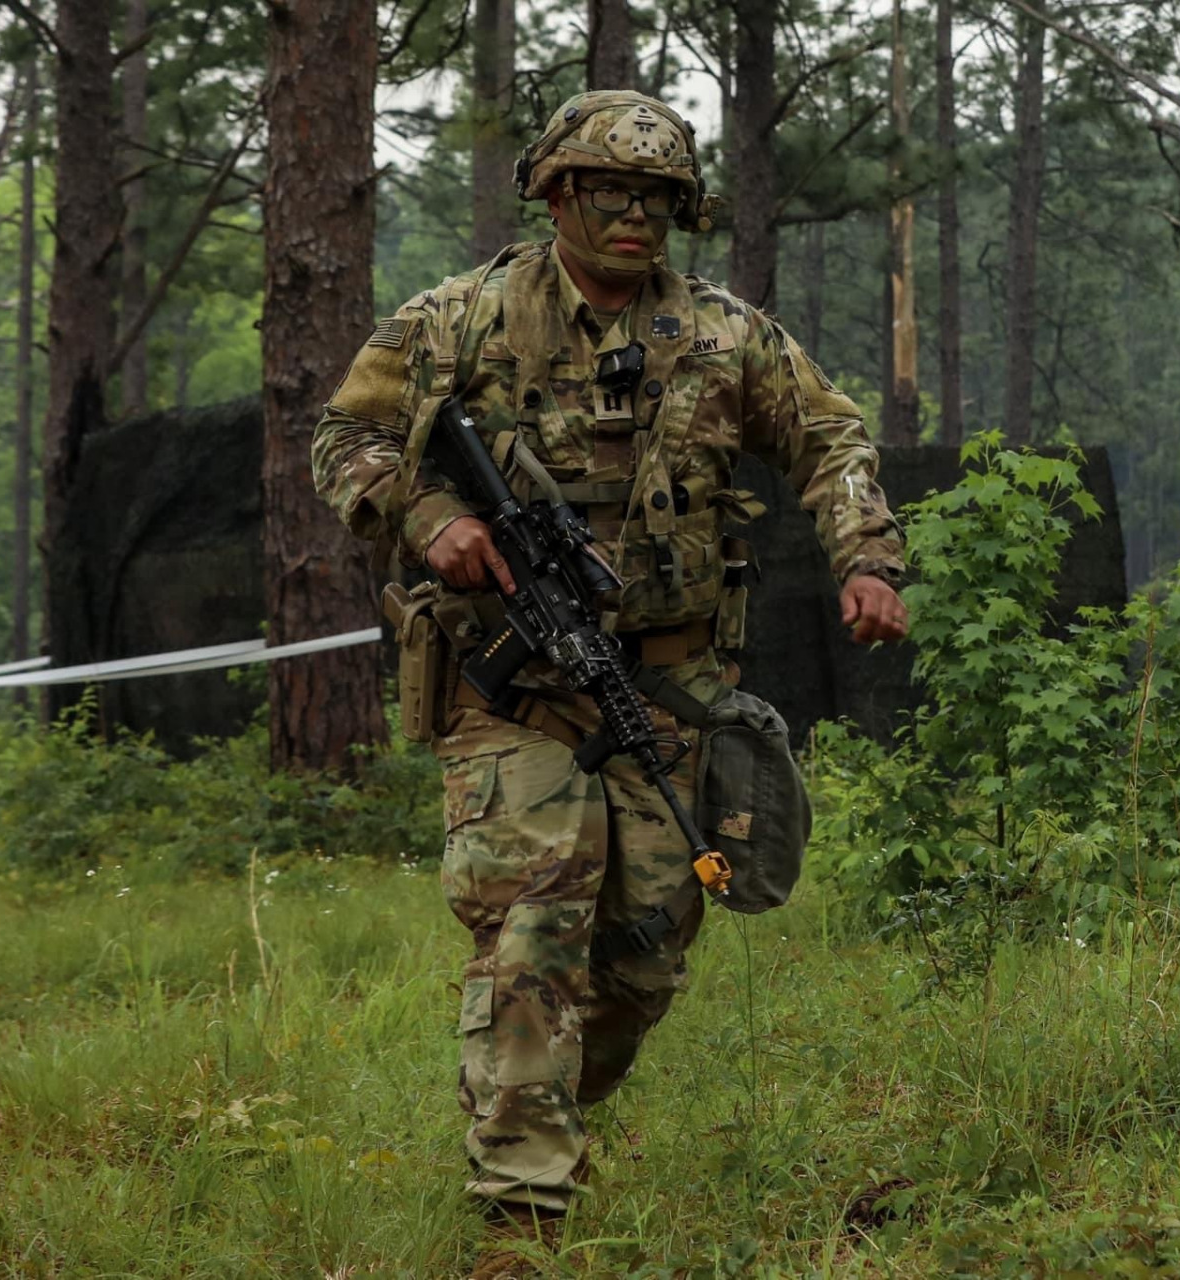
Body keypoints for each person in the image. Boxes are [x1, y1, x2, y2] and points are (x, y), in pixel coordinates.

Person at [312, 89, 909, 1277]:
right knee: (533, 936)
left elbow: (829, 437)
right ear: (556, 195)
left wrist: (867, 554)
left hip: (669, 688)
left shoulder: (725, 335)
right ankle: (519, 1224)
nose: (634, 217)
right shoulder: (460, 320)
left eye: (656, 200)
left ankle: (539, 1113)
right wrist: (429, 517)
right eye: (608, 194)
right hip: (511, 689)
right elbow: (345, 442)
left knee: (640, 954)